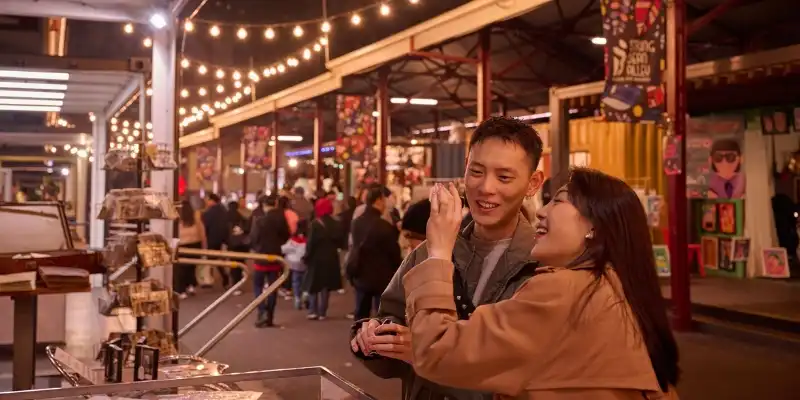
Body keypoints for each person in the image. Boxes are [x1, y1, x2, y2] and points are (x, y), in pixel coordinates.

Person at [398, 171, 680, 399]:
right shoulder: (614, 286)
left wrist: (438, 252)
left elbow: (437, 351)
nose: (542, 212)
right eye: (476, 171)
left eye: (558, 202)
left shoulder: (565, 290)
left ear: (594, 226)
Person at [350, 116, 544, 400]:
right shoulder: (431, 249)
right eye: (476, 171)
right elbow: (392, 314)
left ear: (533, 183)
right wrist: (376, 337)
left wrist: (428, 356)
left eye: (504, 177)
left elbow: (527, 375)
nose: (486, 187)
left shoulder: (542, 266)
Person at [347, 186, 404, 321]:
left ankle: (358, 333)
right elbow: (394, 253)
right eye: (384, 200)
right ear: (378, 201)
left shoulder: (356, 223)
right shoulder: (384, 226)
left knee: (361, 315)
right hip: (382, 276)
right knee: (382, 315)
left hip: (360, 273)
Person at [249, 194, 291, 327]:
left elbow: (253, 238)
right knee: (273, 287)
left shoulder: (259, 220)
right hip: (275, 257)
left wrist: (256, 248)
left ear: (264, 205)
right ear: (276, 204)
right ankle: (270, 316)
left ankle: (261, 311)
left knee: (258, 285)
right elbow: (286, 235)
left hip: (261, 257)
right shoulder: (281, 219)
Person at [303, 198, 344, 320]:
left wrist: (306, 256)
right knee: (326, 285)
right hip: (331, 257)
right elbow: (340, 241)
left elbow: (311, 243)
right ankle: (323, 311)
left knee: (314, 284)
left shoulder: (315, 224)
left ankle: (313, 310)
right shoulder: (336, 223)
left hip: (316, 258)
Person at [175, 199, 206, 299]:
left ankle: (181, 289)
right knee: (191, 267)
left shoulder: (178, 219)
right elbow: (202, 233)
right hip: (196, 244)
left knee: (181, 269)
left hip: (182, 245)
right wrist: (204, 247)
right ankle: (190, 286)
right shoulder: (195, 218)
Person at [202, 193, 231, 288]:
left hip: (212, 239)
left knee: (212, 259)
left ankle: (210, 279)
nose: (206, 202)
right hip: (223, 239)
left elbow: (205, 226)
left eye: (207, 200)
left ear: (212, 200)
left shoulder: (209, 213)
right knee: (216, 259)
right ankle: (222, 277)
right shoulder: (224, 210)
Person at [281, 220, 308, 310]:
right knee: (306, 280)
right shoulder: (308, 238)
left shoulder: (293, 239)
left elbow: (284, 249)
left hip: (294, 264)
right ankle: (305, 294)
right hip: (305, 263)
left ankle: (297, 298)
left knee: (296, 281)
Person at [226, 201, 249, 295]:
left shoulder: (226, 217)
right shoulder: (240, 216)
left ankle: (234, 284)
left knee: (233, 265)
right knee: (240, 264)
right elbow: (247, 229)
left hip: (232, 245)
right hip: (241, 245)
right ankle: (238, 283)